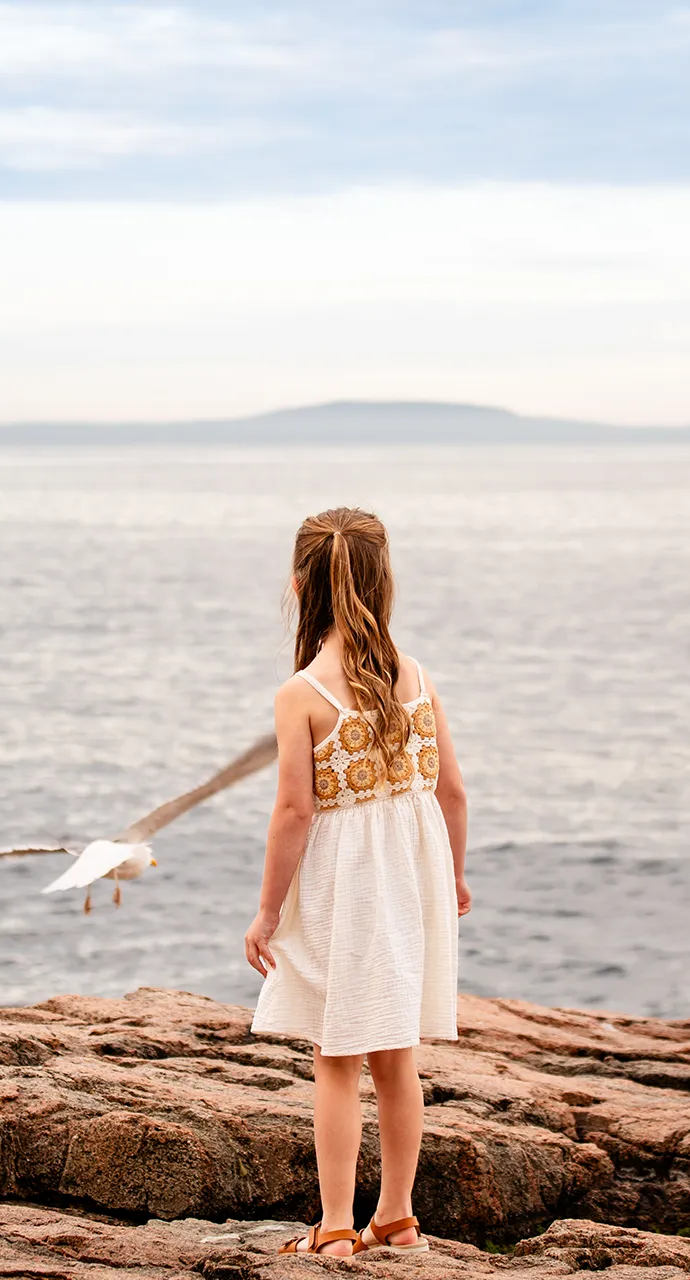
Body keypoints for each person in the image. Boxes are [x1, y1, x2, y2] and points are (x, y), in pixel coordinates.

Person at [243, 506, 472, 1257]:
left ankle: (338, 1228)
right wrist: (457, 880)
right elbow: (453, 793)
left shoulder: (303, 693)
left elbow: (293, 813)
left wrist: (267, 913)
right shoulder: (417, 675)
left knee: (337, 1057)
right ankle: (399, 1220)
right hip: (413, 875)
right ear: (383, 580)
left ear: (302, 582)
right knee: (396, 1052)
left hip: (347, 883)